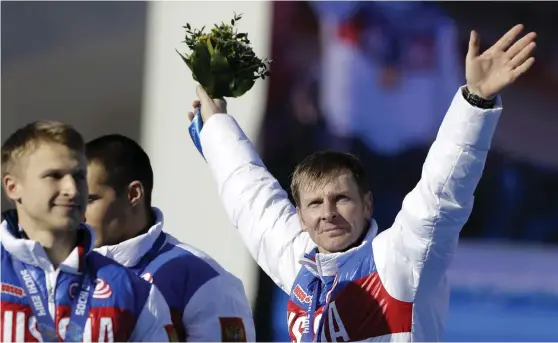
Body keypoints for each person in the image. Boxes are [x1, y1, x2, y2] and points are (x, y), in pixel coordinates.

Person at [188, 24, 536, 342]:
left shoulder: (400, 263)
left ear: (367, 204)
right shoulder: (299, 264)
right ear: (300, 216)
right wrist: (215, 126)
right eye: (314, 203)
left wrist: (475, 101)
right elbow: (251, 196)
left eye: (341, 199)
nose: (328, 213)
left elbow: (442, 193)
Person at [0, 121, 175, 342]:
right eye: (54, 176)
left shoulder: (134, 292)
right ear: (12, 187)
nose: (72, 190)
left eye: (79, 176)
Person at [84, 134, 256, 342]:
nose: (78, 214)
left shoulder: (202, 278)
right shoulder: (62, 271)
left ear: (133, 194)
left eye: (89, 200)